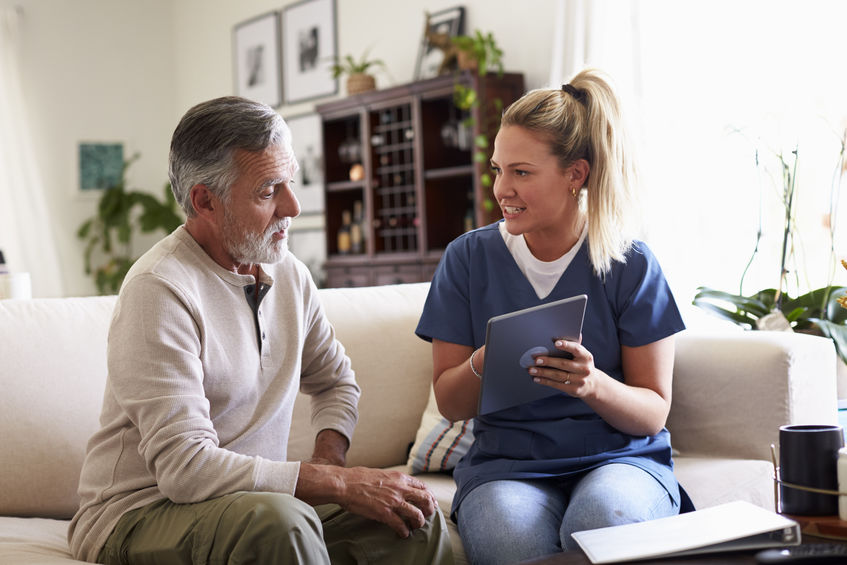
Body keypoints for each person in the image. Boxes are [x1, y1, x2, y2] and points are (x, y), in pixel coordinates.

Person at [68, 96, 454, 565]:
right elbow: (185, 470)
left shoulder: (289, 274)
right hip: (141, 513)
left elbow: (336, 383)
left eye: (289, 181)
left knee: (414, 517)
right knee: (279, 524)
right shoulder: (160, 290)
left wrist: (328, 466)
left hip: (258, 506)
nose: (292, 206)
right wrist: (335, 485)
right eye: (269, 190)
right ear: (205, 201)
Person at [415, 68, 691, 565]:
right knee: (509, 540)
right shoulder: (467, 260)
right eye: (497, 170)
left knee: (602, 522)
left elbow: (653, 410)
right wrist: (484, 361)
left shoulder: (630, 263)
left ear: (575, 174)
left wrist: (592, 385)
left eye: (521, 172)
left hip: (619, 460)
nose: (502, 189)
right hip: (506, 468)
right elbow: (450, 403)